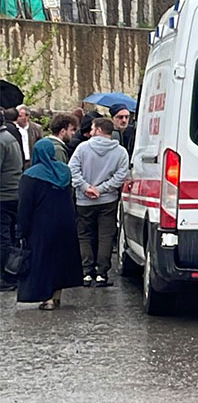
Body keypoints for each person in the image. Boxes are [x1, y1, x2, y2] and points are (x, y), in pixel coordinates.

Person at [16, 138, 83, 310]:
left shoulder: (31, 175)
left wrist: (21, 229)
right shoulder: (64, 171)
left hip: (42, 224)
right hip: (65, 222)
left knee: (44, 260)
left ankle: (47, 298)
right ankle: (56, 295)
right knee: (60, 259)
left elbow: (25, 205)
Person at [69, 118, 129, 287]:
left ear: (99, 130)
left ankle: (86, 271)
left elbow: (72, 169)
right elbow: (120, 176)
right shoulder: (121, 152)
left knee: (85, 235)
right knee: (106, 236)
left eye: (94, 128)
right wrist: (102, 189)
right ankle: (102, 272)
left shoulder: (82, 148)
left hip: (84, 200)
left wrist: (86, 187)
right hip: (108, 200)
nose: (91, 130)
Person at [0, 125, 21, 292]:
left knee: (3, 237)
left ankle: (5, 276)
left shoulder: (1, 141)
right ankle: (12, 272)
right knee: (11, 235)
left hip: (3, 195)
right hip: (13, 193)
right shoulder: (9, 137)